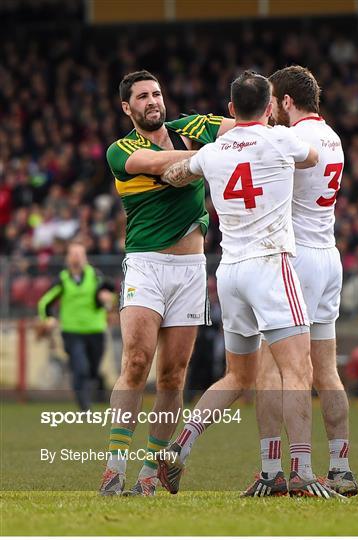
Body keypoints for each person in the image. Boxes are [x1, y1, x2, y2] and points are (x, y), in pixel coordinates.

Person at [159, 71, 340, 499]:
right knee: (298, 370)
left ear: (231, 109)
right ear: (271, 107)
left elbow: (178, 175)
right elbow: (314, 157)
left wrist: (185, 153)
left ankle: (180, 446)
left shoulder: (213, 150)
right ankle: (301, 471)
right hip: (270, 265)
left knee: (237, 376)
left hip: (230, 272)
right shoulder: (280, 140)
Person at [99, 70, 235, 496]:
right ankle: (113, 468)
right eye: (142, 97)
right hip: (145, 265)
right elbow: (157, 164)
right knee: (136, 362)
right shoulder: (121, 150)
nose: (152, 101)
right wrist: (202, 160)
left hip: (191, 269)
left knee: (174, 376)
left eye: (156, 93)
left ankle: (147, 474)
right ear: (128, 108)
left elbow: (242, 126)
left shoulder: (188, 127)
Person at [245, 66, 358, 497]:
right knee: (326, 370)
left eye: (274, 101)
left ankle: (278, 469)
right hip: (329, 255)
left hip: (298, 259)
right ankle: (342, 468)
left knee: (273, 369)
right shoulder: (334, 137)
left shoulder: (294, 140)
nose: (271, 109)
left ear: (286, 101)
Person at [37, 241, 115, 411]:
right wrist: (48, 318)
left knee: (93, 370)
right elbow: (44, 303)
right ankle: (84, 406)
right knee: (81, 368)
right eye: (73, 254)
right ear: (67, 258)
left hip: (96, 330)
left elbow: (111, 297)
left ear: (85, 257)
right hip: (72, 332)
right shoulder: (62, 279)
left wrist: (107, 300)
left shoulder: (96, 276)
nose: (77, 257)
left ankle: (95, 388)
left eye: (80, 254)